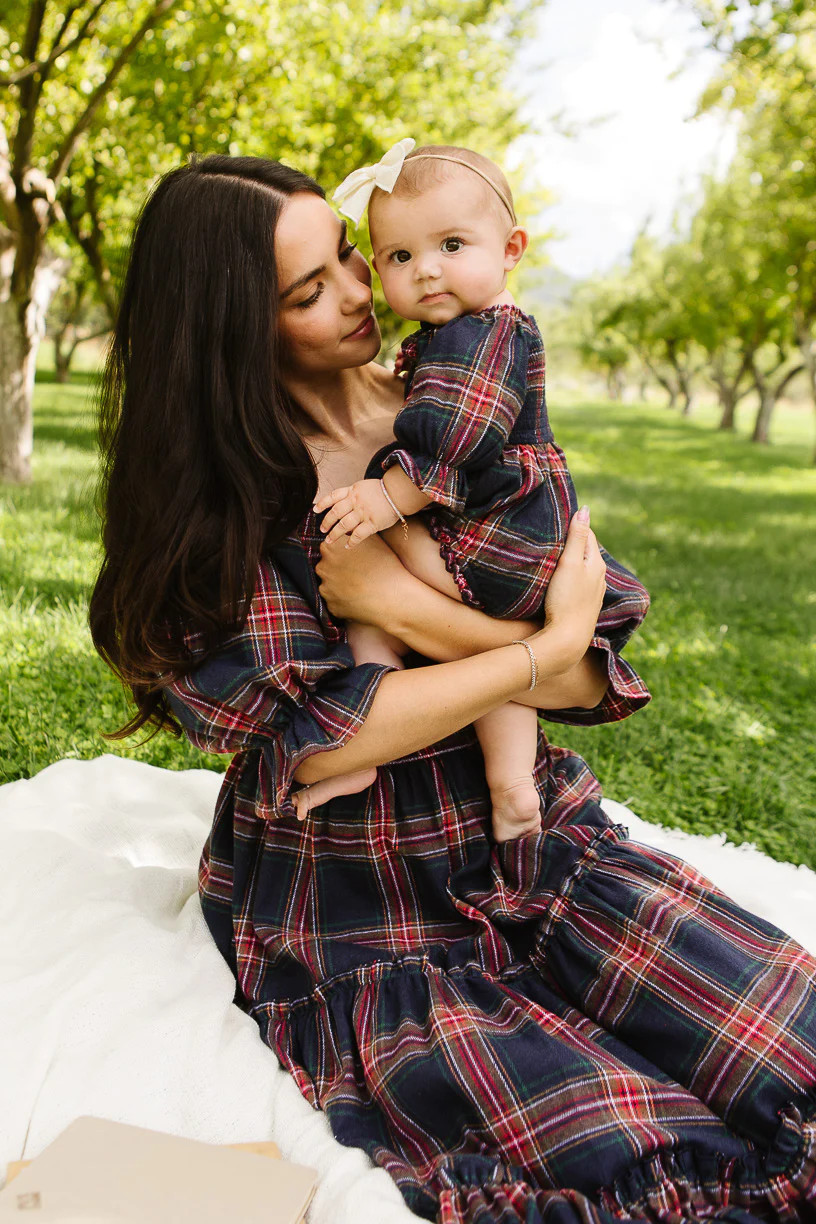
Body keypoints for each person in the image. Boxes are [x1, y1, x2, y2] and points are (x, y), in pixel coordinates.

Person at [89, 153, 816, 1224]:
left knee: (787, 1052)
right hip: (365, 899)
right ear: (235, 329)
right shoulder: (220, 504)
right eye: (307, 291)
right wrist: (527, 650)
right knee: (643, 1156)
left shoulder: (461, 417)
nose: (359, 293)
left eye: (346, 254)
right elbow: (331, 746)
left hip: (529, 839)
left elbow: (580, 669)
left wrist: (426, 613)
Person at [301, 140, 651, 840]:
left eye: (452, 244)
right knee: (467, 648)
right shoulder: (460, 333)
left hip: (500, 532)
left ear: (512, 247)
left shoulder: (485, 334)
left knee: (371, 566)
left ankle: (366, 722)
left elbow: (460, 435)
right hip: (516, 544)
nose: (425, 269)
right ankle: (511, 782)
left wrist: (390, 500)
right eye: (398, 257)